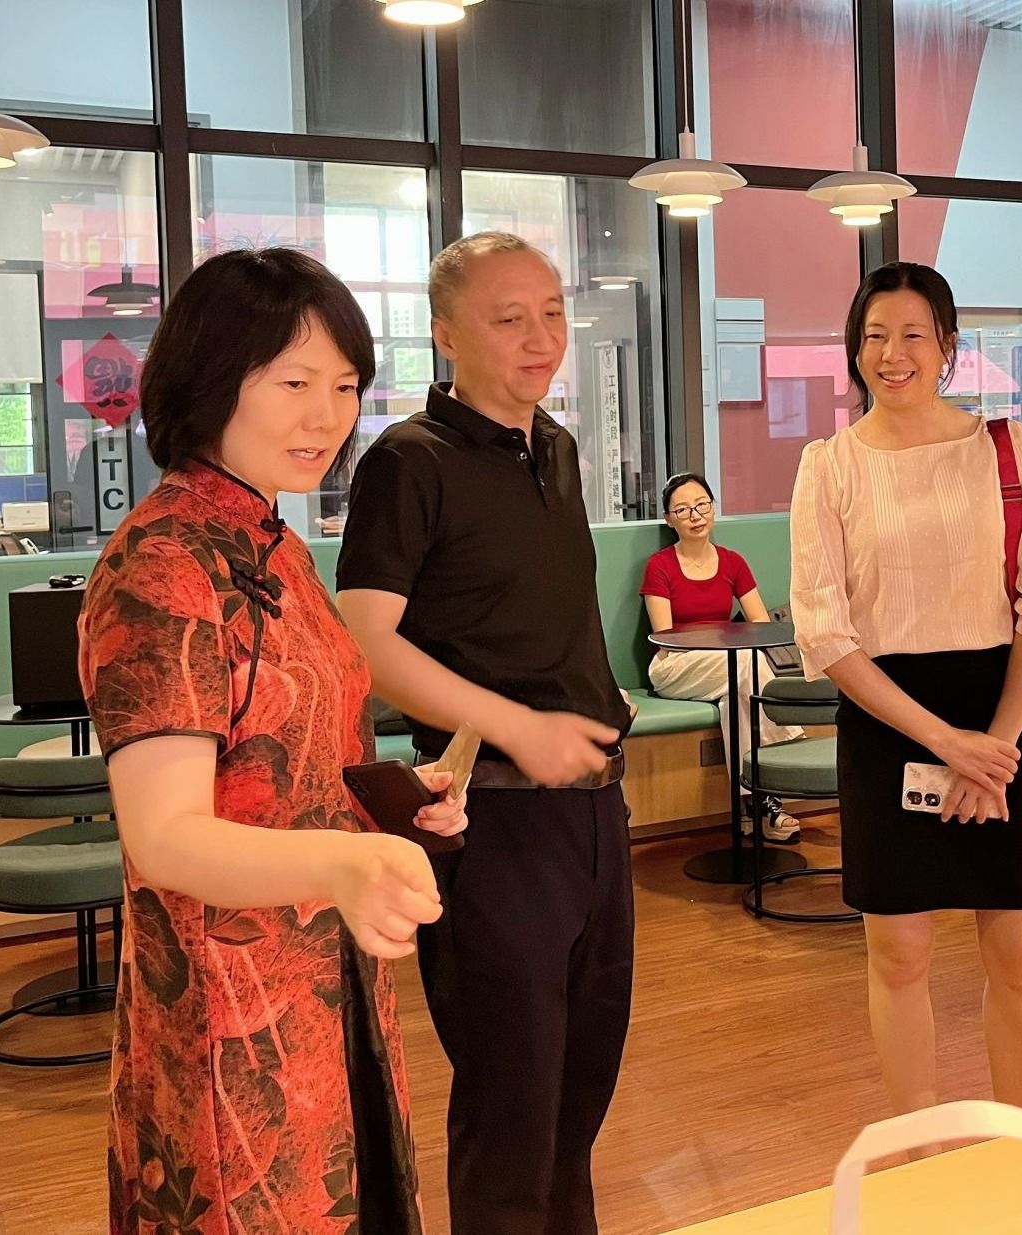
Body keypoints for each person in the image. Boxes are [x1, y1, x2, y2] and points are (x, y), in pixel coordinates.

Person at [78, 247, 467, 1234]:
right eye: (295, 383)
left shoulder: (276, 543)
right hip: (228, 1010)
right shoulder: (163, 562)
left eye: (344, 386)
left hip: (330, 983)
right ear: (212, 378)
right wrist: (343, 860)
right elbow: (163, 835)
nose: (325, 416)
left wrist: (394, 802)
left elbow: (288, 758)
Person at [335, 231, 633, 1235]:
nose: (540, 337)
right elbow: (364, 641)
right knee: (511, 1114)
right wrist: (520, 726)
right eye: (509, 318)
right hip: (491, 820)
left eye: (552, 312)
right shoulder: (407, 460)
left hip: (595, 813)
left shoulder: (557, 445)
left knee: (578, 1103)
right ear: (445, 333)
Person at [790, 261, 1022, 1118]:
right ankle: (915, 1154)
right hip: (888, 719)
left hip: (999, 711)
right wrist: (948, 744)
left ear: (948, 345)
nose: (893, 353)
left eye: (913, 334)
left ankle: (1020, 1140)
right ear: (855, 349)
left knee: (1019, 958)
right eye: (874, 336)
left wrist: (995, 746)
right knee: (899, 958)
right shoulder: (828, 465)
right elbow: (824, 632)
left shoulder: (1007, 447)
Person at [641, 470, 806, 843]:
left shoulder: (732, 562)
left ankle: (754, 805)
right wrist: (722, 644)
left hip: (729, 666)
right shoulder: (660, 566)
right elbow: (666, 639)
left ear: (713, 508)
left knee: (738, 693)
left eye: (702, 505)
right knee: (744, 665)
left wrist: (730, 645)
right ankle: (785, 749)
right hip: (676, 666)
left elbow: (761, 625)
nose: (695, 515)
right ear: (669, 519)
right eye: (683, 510)